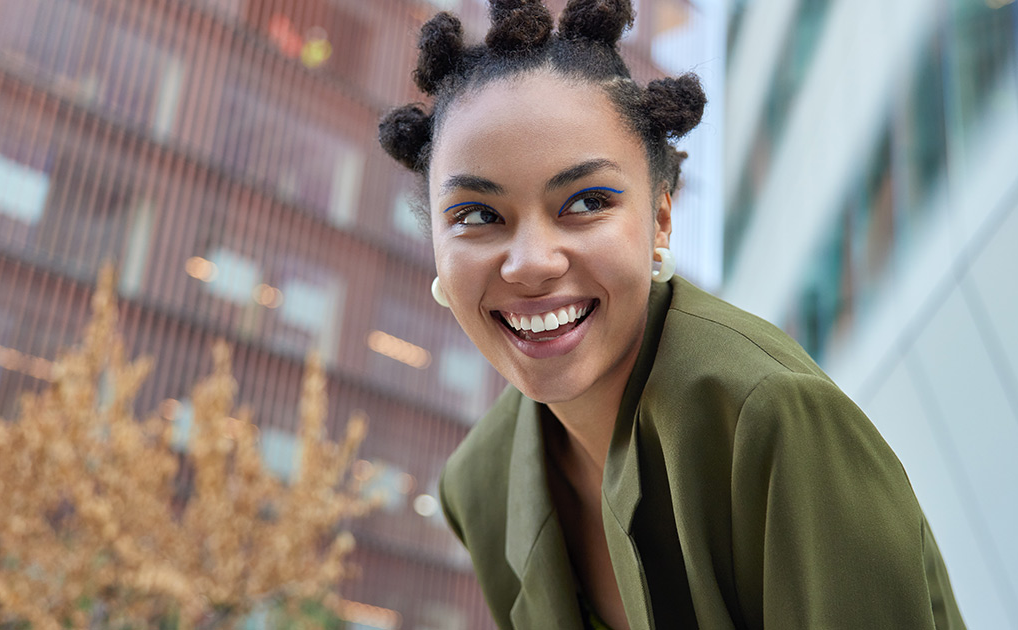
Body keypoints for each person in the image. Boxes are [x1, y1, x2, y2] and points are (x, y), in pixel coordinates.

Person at [378, 1, 965, 628]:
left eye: (586, 201)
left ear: (660, 219)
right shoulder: (479, 484)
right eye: (474, 215)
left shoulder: (769, 418)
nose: (530, 264)